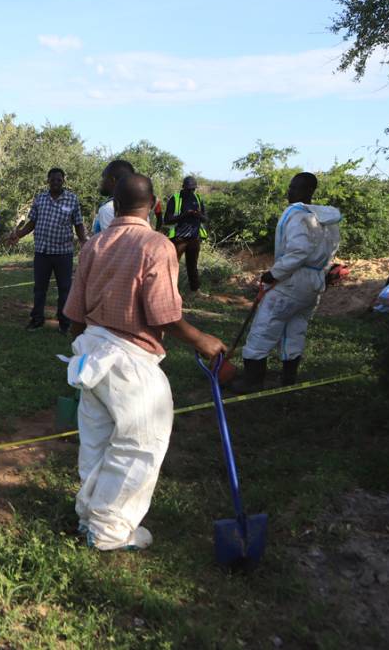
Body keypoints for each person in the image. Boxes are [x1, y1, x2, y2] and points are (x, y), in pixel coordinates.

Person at [62, 173, 226, 551]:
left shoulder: (94, 244)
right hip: (129, 360)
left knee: (97, 442)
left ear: (115, 205)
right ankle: (109, 532)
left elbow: (74, 313)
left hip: (92, 353)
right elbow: (163, 315)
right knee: (140, 445)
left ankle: (89, 517)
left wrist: (83, 355)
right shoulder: (157, 245)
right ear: (154, 206)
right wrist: (202, 340)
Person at [232, 172, 341, 392]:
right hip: (313, 284)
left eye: (294, 187)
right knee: (295, 330)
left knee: (264, 328)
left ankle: (252, 381)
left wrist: (274, 274)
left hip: (292, 283)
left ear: (308, 191)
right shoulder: (326, 220)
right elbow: (330, 250)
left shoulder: (299, 216)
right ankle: (288, 379)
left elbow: (299, 251)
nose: (289, 191)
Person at [4, 167, 88, 333]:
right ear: (48, 181)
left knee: (64, 289)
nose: (56, 182)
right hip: (42, 251)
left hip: (63, 253)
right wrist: (18, 235)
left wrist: (84, 241)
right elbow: (32, 222)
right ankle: (37, 320)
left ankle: (64, 323)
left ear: (63, 181)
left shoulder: (72, 199)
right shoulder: (40, 198)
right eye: (53, 179)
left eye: (59, 180)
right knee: (39, 289)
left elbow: (78, 224)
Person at [163, 175, 209, 292]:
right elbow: (167, 220)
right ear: (183, 187)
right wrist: (185, 214)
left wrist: (198, 215)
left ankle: (195, 291)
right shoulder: (175, 199)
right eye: (189, 189)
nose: (191, 191)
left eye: (193, 189)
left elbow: (205, 219)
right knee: (172, 266)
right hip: (178, 239)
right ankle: (169, 291)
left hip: (194, 238)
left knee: (192, 266)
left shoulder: (198, 198)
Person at [92, 159, 161, 233]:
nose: (101, 182)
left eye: (103, 177)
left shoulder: (108, 209)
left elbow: (112, 239)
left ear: (113, 180)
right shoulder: (138, 207)